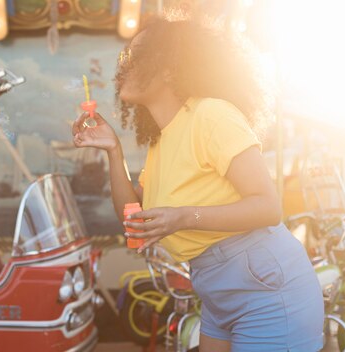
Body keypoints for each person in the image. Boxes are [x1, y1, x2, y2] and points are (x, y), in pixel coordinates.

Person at [72, 19, 323, 352]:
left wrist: (182, 217)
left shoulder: (211, 115)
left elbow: (268, 207)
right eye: (124, 57)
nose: (124, 66)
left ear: (170, 70)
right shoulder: (161, 141)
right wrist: (113, 151)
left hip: (267, 289)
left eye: (137, 55)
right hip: (215, 288)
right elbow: (133, 217)